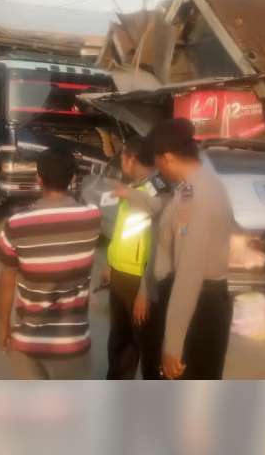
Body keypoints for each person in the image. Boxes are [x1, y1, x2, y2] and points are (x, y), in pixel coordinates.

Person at [0, 147, 101, 380]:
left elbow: (7, 279)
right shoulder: (92, 217)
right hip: (72, 342)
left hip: (27, 342)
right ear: (72, 178)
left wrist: (3, 326)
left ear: (38, 179)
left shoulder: (17, 224)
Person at [146, 118, 234, 380]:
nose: (158, 170)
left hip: (197, 308)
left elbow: (189, 274)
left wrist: (172, 345)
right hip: (201, 302)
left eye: (158, 162)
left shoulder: (197, 195)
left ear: (169, 158)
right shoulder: (198, 183)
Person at [105, 136, 168, 380]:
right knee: (120, 345)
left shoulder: (156, 192)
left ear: (131, 159)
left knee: (148, 348)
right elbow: (125, 231)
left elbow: (159, 244)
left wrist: (145, 289)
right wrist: (110, 263)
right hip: (121, 275)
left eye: (122, 157)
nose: (121, 162)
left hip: (140, 281)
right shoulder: (132, 188)